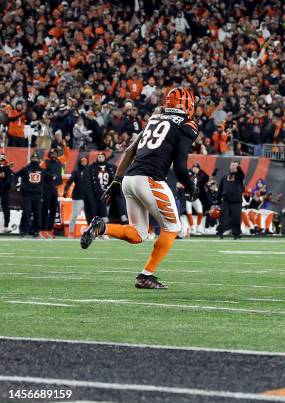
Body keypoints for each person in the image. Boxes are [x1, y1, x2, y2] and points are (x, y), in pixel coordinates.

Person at [80, 87, 199, 289]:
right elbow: (180, 165)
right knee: (173, 227)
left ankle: (102, 227)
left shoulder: (155, 119)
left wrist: (116, 181)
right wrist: (191, 186)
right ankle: (145, 275)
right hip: (150, 179)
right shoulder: (188, 124)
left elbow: (129, 150)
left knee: (138, 233)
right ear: (187, 105)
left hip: (129, 179)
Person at [15, 153, 45, 237]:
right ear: (31, 159)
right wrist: (18, 185)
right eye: (33, 158)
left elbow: (50, 178)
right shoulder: (25, 169)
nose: (35, 160)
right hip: (27, 195)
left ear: (38, 160)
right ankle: (23, 230)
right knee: (26, 213)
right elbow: (15, 175)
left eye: (36, 158)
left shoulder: (42, 170)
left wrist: (55, 176)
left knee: (37, 214)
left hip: (38, 196)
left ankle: (36, 230)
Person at [40, 147, 67, 238]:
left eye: (54, 153)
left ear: (57, 154)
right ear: (49, 155)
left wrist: (63, 145)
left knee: (53, 210)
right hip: (46, 188)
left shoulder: (59, 162)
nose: (53, 155)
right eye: (51, 153)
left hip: (54, 189)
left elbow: (67, 155)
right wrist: (50, 176)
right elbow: (41, 171)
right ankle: (43, 229)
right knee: (45, 209)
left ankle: (50, 229)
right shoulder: (45, 162)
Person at [217, 160, 245, 239]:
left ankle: (236, 234)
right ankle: (220, 233)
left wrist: (238, 168)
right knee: (223, 217)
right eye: (232, 165)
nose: (233, 167)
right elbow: (220, 188)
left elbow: (242, 174)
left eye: (235, 166)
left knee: (236, 218)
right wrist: (217, 199)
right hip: (226, 201)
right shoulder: (225, 176)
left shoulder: (239, 176)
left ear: (238, 167)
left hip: (237, 202)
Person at [63, 156, 89, 237]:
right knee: (74, 215)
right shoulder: (76, 172)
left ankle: (91, 233)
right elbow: (69, 181)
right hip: (78, 197)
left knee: (91, 216)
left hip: (88, 197)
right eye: (82, 161)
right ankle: (71, 232)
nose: (84, 163)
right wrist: (65, 190)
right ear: (79, 162)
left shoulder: (90, 172)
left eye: (85, 161)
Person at [185, 163, 206, 235]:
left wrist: (201, 171)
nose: (195, 169)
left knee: (200, 211)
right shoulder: (189, 173)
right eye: (194, 167)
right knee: (189, 212)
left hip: (195, 197)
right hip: (187, 197)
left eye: (197, 168)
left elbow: (207, 177)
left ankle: (198, 226)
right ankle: (192, 228)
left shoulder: (200, 175)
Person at [0, 154, 13, 233]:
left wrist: (1, 186)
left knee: (6, 209)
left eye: (3, 160)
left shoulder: (8, 170)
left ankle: (6, 226)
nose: (2, 162)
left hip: (5, 191)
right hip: (3, 189)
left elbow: (8, 183)